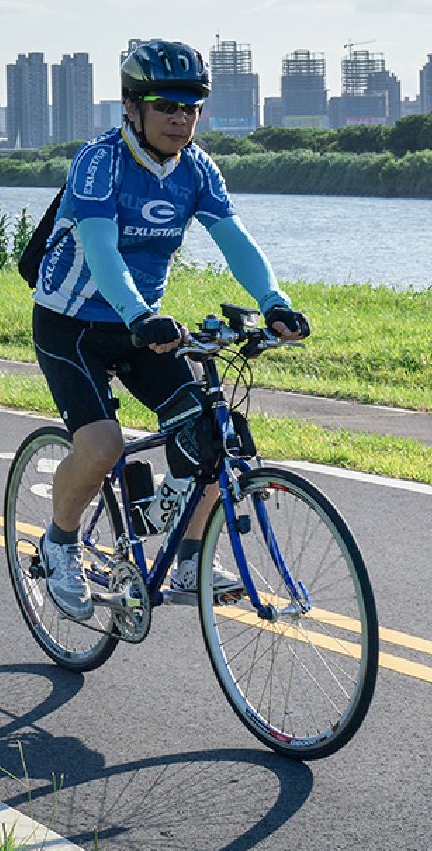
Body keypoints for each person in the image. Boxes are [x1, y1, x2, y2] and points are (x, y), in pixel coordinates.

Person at [32, 38, 308, 620]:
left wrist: (274, 302)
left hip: (142, 329)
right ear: (132, 107)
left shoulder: (196, 169)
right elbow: (102, 250)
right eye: (166, 107)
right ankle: (59, 544)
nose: (181, 120)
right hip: (72, 324)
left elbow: (235, 241)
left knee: (212, 435)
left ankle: (188, 560)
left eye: (191, 108)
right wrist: (138, 314)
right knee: (103, 445)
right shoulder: (100, 160)